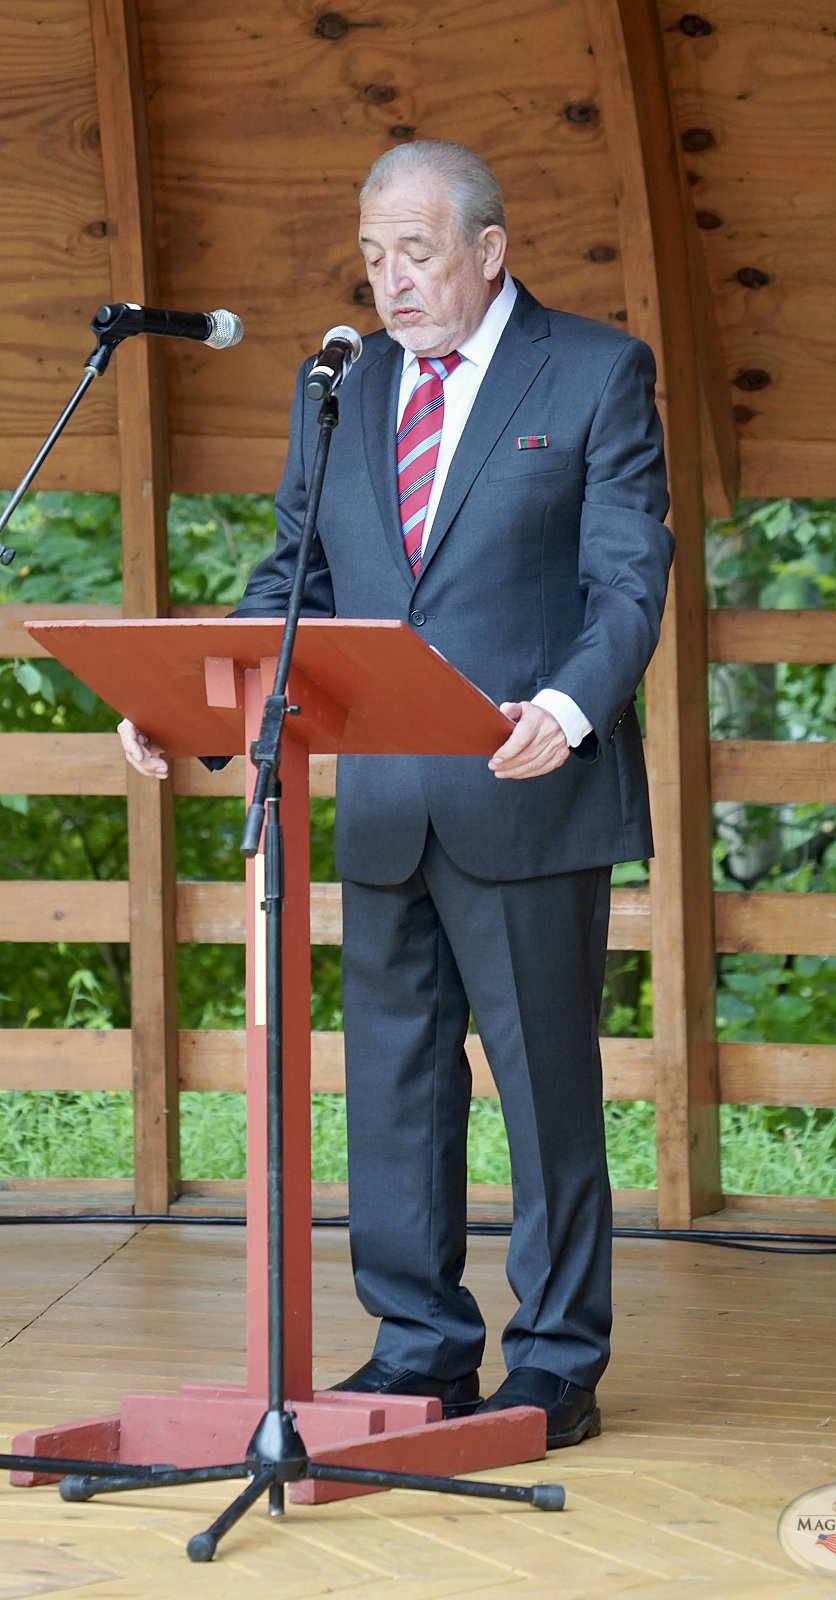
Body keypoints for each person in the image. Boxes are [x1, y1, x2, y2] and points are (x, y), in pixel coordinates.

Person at [119, 140, 672, 1449]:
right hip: (378, 806)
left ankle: (556, 1364)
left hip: (528, 789)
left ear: (489, 248)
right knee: (394, 1093)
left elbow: (626, 579)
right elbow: (292, 583)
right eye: (372, 257)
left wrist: (567, 709)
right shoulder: (346, 387)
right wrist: (191, 708)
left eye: (416, 252)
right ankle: (419, 1346)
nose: (392, 281)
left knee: (545, 1096)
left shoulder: (594, 371)